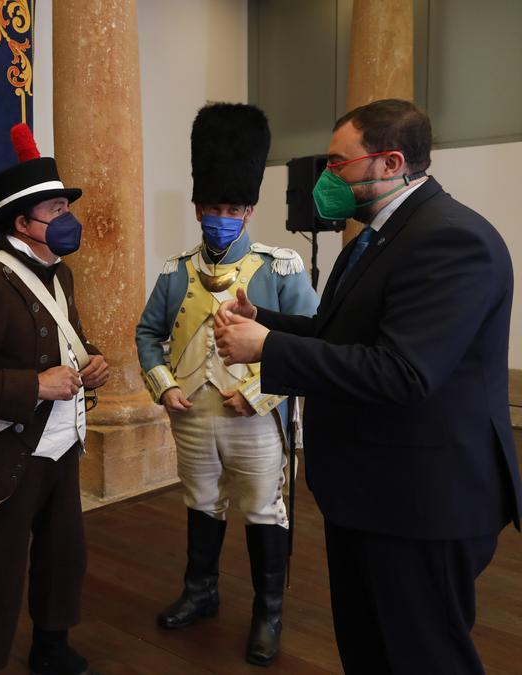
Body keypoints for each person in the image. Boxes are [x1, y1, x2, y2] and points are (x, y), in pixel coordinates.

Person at [215, 98, 522, 674]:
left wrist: (268, 349)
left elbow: (404, 372)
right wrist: (267, 320)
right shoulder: (378, 235)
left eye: (338, 163)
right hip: (372, 488)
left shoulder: (451, 239)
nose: (325, 177)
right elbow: (344, 334)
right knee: (370, 646)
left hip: (422, 500)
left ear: (390, 163)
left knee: (423, 655)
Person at [135, 103, 318, 666]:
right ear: (197, 207)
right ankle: (201, 591)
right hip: (191, 414)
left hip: (256, 416)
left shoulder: (282, 267)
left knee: (264, 509)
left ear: (250, 209)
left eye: (233, 207)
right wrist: (164, 388)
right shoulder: (174, 271)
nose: (222, 216)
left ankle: (268, 612)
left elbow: (312, 342)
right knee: (200, 502)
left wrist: (261, 394)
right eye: (213, 206)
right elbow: (147, 334)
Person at [0, 123, 109, 675]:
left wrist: (90, 361)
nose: (66, 220)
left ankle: (51, 648)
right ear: (21, 223)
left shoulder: (61, 275)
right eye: (54, 211)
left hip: (62, 443)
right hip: (9, 449)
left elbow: (62, 340)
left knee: (62, 555)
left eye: (63, 208)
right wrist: (35, 386)